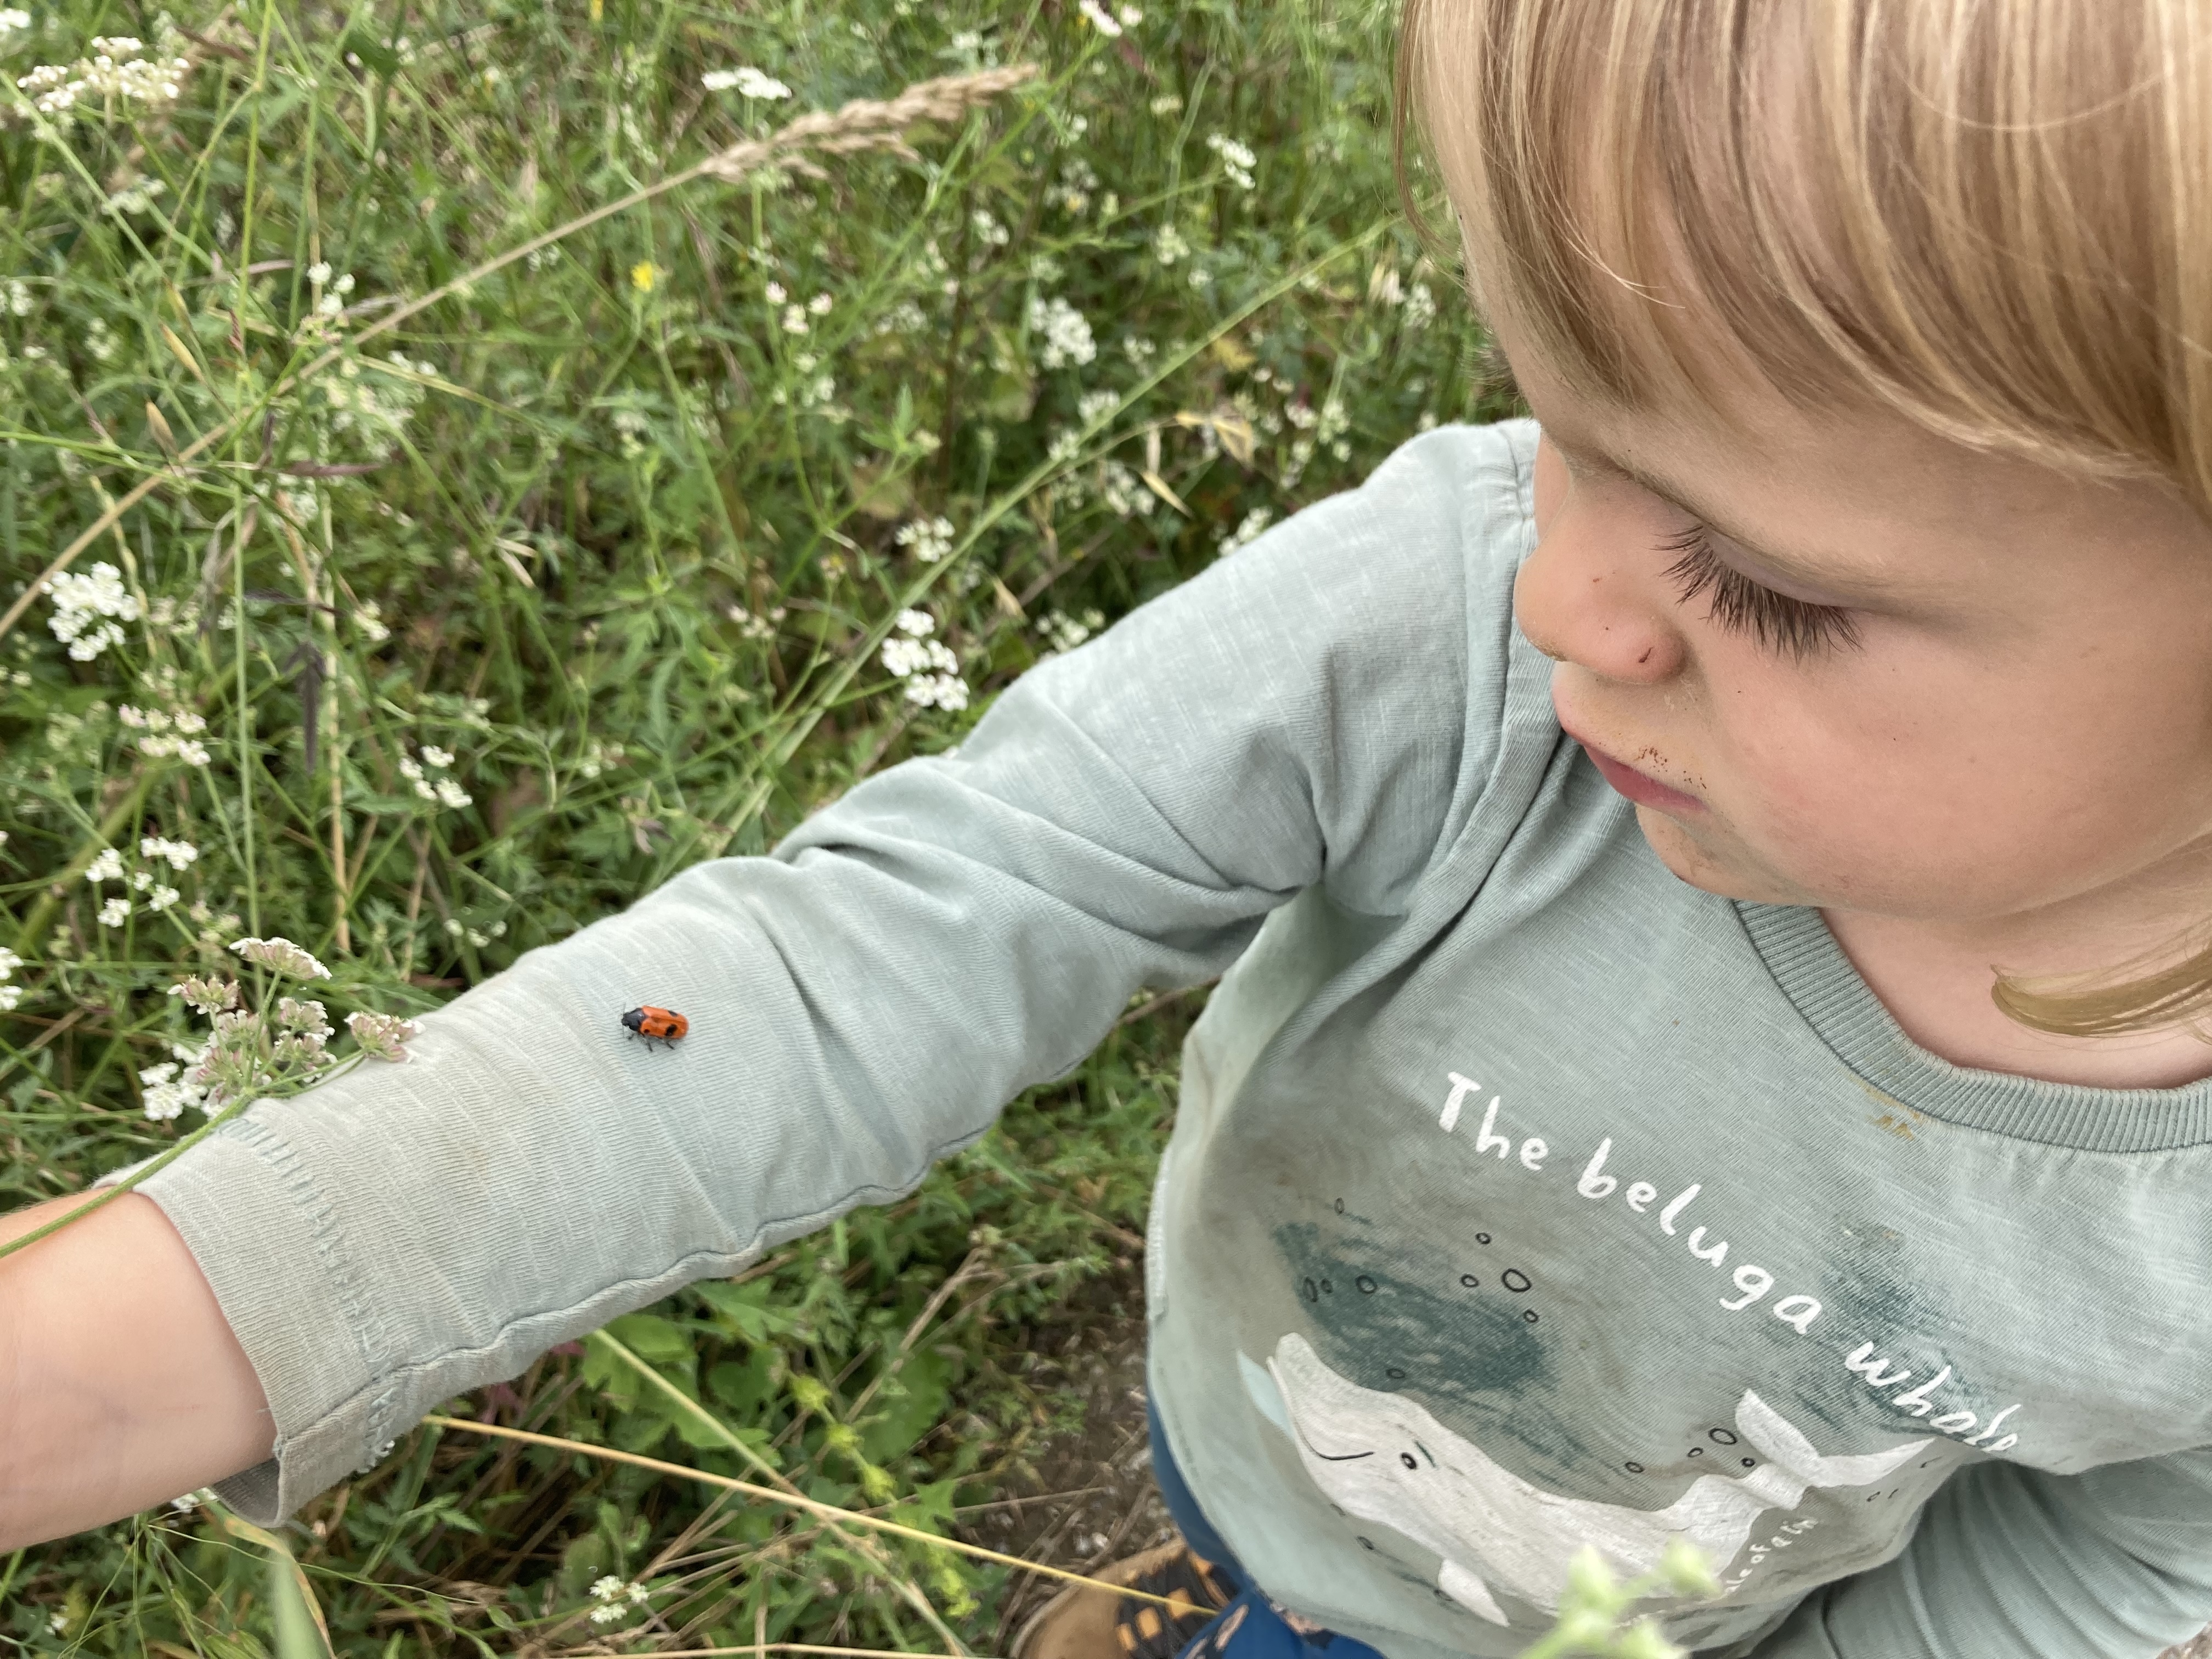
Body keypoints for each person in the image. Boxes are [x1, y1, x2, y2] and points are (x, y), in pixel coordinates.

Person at [9, 1, 2212, 1654]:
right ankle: (1186, 1579)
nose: (1560, 600)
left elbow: (2127, 1562)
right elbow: (848, 965)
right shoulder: (1439, 631)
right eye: (1560, 422)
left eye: (1763, 579)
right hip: (1252, 1403)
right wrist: (145, 1339)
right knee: (1224, 1555)